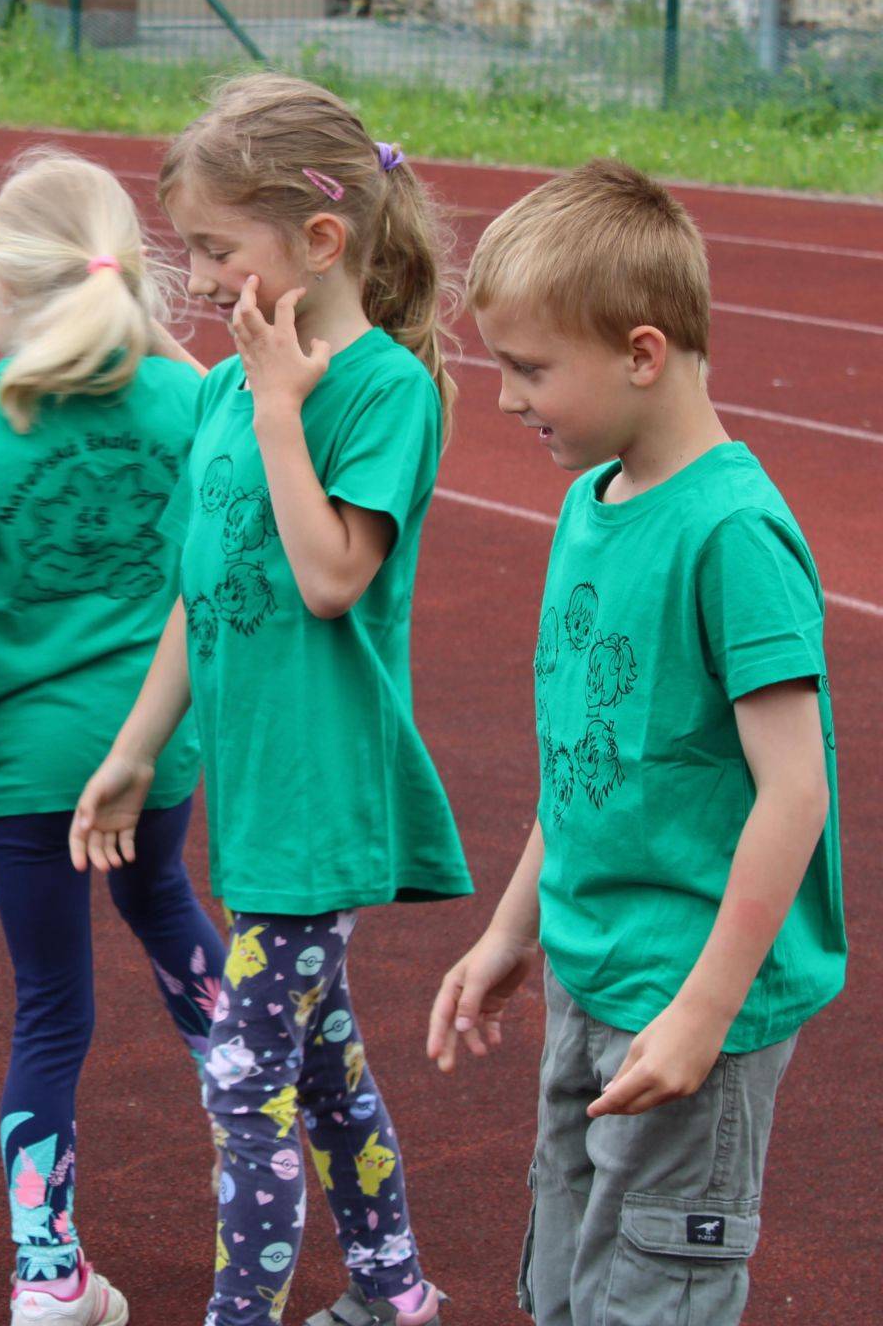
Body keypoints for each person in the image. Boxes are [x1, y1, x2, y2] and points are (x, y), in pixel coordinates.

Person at [76, 76, 467, 1326]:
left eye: (216, 246)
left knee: (246, 1086)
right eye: (187, 246)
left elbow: (330, 574)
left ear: (320, 241)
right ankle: (393, 1287)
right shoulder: (219, 392)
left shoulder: (378, 392)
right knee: (320, 1058)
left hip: (322, 789)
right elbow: (204, 589)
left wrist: (285, 406)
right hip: (254, 783)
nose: (195, 275)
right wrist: (138, 749)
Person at [432, 161, 842, 1326]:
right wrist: (515, 928)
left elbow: (793, 791)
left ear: (643, 353)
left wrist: (708, 1008)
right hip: (590, 963)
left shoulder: (735, 535)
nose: (508, 399)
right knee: (565, 1276)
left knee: (652, 1290)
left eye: (529, 368)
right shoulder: (592, 501)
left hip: (684, 991)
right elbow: (587, 757)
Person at [0, 149, 224, 1326]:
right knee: (166, 905)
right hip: (151, 744)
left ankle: (47, 1271)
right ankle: (256, 1125)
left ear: (1, 286)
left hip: (21, 768)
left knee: (51, 1008)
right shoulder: (188, 401)